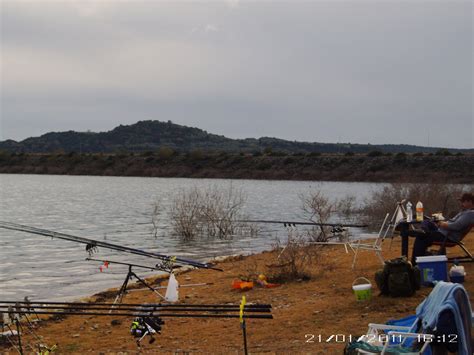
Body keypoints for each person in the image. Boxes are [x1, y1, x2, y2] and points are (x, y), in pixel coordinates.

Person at [399, 192, 474, 264]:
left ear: (470, 202)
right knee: (428, 221)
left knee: (420, 237)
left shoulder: (470, 214)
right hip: (444, 232)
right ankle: (423, 230)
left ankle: (415, 263)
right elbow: (453, 223)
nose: (461, 204)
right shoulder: (466, 212)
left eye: (463, 201)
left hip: (448, 236)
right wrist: (441, 222)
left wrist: (442, 224)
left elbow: (456, 226)